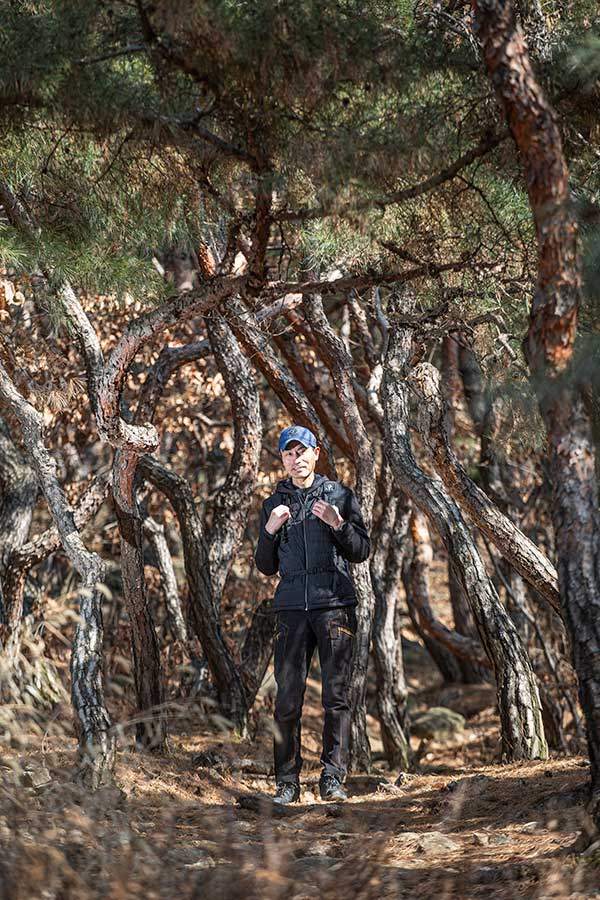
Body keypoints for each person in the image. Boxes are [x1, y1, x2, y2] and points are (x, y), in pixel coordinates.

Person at [254, 424, 370, 804]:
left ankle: (332, 779)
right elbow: (265, 566)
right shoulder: (273, 505)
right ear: (283, 460)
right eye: (288, 453)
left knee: (336, 697)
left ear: (316, 453)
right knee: (287, 699)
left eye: (301, 451)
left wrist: (337, 523)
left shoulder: (339, 495)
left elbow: (360, 551)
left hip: (334, 605)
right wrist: (270, 531)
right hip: (290, 610)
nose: (296, 458)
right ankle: (287, 783)